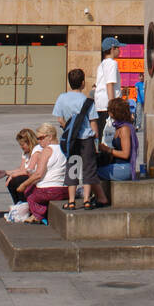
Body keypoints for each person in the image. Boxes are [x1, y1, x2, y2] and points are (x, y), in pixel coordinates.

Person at [52, 68, 107, 210]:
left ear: (69, 83)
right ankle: (87, 200)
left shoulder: (62, 98)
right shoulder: (87, 101)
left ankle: (71, 201)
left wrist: (68, 129)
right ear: (83, 83)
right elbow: (93, 123)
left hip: (71, 139)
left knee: (72, 168)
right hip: (86, 139)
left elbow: (59, 118)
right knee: (88, 169)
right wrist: (96, 140)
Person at [18, 124, 67, 223]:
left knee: (29, 193)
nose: (39, 141)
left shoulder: (47, 150)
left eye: (41, 138)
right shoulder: (63, 148)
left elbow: (38, 174)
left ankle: (38, 215)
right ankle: (41, 213)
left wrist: (23, 185)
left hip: (48, 190)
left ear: (50, 137)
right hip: (64, 190)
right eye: (38, 139)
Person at [0, 128, 39, 203]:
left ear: (29, 142)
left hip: (35, 178)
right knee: (12, 180)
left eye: (23, 144)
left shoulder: (36, 151)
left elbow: (29, 170)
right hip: (29, 176)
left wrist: (13, 175)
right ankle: (18, 203)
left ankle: (24, 203)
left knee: (17, 180)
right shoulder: (26, 153)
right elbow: (22, 169)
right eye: (20, 145)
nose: (21, 147)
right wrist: (6, 172)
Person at [98, 97, 138, 180]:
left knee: (92, 172)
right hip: (117, 164)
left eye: (110, 110)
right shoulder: (118, 127)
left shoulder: (124, 129)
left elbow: (125, 154)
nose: (108, 112)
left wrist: (108, 149)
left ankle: (91, 192)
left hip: (123, 168)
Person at [94, 38, 121, 139]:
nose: (120, 50)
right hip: (108, 106)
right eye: (118, 48)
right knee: (110, 137)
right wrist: (113, 107)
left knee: (103, 136)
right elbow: (109, 84)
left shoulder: (102, 64)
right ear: (113, 48)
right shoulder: (112, 63)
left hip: (100, 105)